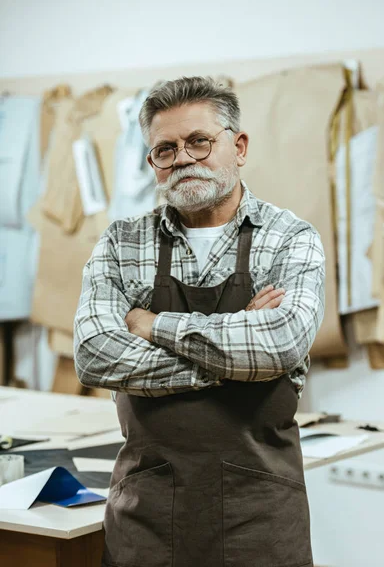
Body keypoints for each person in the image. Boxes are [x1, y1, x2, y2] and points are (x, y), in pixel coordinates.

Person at [74, 76, 325, 567]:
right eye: (165, 149)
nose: (183, 158)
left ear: (239, 145)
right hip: (145, 515)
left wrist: (151, 325)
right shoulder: (122, 244)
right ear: (152, 162)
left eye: (199, 142)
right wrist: (235, 361)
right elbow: (94, 355)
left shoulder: (290, 237)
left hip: (261, 517)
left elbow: (278, 346)